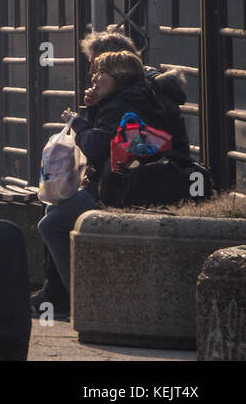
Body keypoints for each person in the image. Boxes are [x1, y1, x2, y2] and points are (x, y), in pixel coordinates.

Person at [32, 45, 189, 317]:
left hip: (123, 185)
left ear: (118, 75)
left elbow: (95, 146)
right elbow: (106, 139)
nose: (93, 77)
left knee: (52, 224)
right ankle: (65, 293)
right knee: (52, 211)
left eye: (101, 72)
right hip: (119, 178)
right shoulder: (125, 98)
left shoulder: (125, 103)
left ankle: (80, 299)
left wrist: (78, 121)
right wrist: (93, 107)